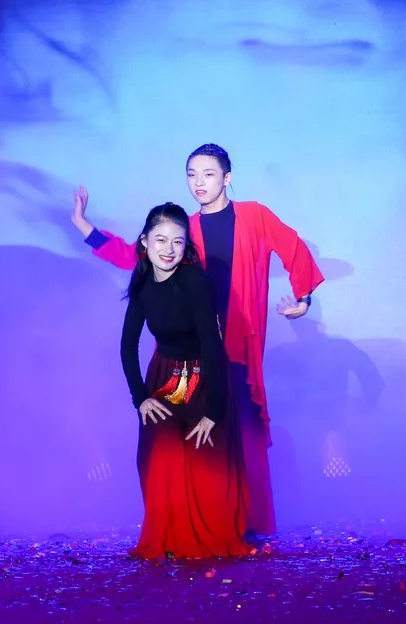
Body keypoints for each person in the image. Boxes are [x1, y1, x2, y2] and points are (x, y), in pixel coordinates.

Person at [73, 143, 325, 537]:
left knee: (242, 427)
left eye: (208, 174)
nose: (199, 183)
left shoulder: (254, 216)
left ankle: (248, 523)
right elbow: (135, 254)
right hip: (190, 350)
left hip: (238, 339)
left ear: (227, 177)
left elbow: (292, 245)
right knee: (187, 439)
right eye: (192, 174)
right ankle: (198, 524)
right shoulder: (184, 229)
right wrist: (85, 228)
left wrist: (303, 298)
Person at [120, 202, 250, 559]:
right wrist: (140, 398)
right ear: (145, 241)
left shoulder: (193, 280)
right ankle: (168, 536)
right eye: (160, 240)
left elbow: (212, 343)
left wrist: (214, 410)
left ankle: (200, 537)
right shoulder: (142, 282)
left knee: (201, 460)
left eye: (177, 242)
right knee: (159, 454)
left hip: (205, 377)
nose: (169, 249)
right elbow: (127, 345)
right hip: (165, 378)